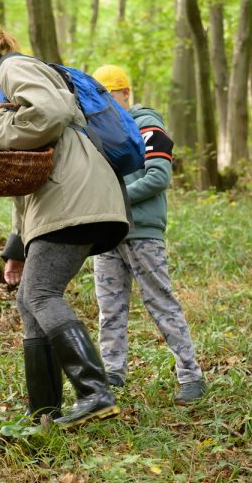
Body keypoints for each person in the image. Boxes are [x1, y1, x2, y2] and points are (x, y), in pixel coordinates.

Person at [0, 28, 131, 428]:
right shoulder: (4, 89)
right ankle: (44, 411)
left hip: (76, 196)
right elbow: (27, 177)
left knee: (40, 293)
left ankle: (95, 392)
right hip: (60, 201)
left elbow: (51, 114)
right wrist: (16, 247)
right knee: (31, 299)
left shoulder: (13, 67)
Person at [90, 64, 207, 405]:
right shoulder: (102, 134)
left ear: (125, 93)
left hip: (142, 232)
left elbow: (158, 176)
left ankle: (191, 375)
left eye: (111, 97)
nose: (106, 107)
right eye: (100, 100)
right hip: (108, 232)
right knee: (109, 308)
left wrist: (116, 202)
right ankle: (112, 372)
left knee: (161, 304)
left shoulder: (147, 126)